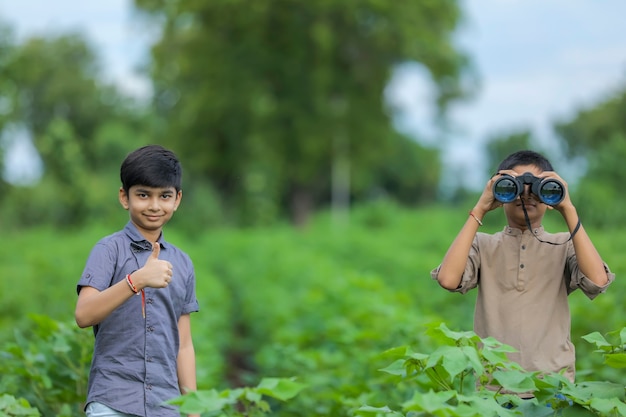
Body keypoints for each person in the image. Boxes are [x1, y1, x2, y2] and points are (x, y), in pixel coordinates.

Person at [431, 150, 614, 388]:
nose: (526, 195)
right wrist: (480, 208)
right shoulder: (484, 245)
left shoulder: (564, 245)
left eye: (537, 188)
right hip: (495, 387)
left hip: (550, 386)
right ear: (500, 192)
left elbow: (598, 280)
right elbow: (448, 279)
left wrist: (568, 208)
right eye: (515, 186)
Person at [75, 145, 200, 417]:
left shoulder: (183, 263)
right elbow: (84, 315)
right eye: (143, 195)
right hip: (112, 400)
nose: (154, 205)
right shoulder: (108, 250)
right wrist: (137, 280)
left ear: (177, 199)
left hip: (166, 406)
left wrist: (193, 409)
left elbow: (185, 343)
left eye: (164, 196)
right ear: (125, 197)